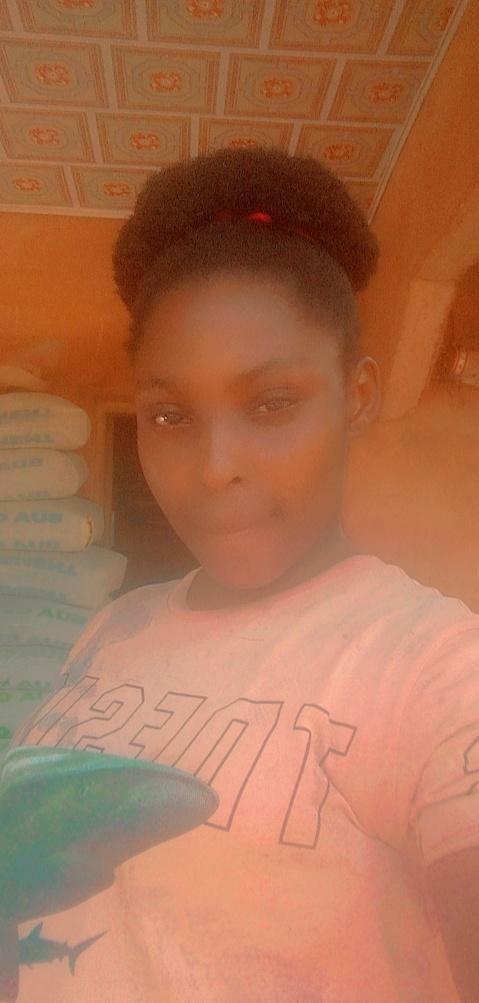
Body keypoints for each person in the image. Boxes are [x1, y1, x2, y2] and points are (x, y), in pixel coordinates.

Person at [7, 147, 479, 1002]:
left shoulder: (434, 663)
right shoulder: (115, 624)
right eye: (170, 414)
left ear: (356, 394)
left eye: (270, 403)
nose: (214, 465)